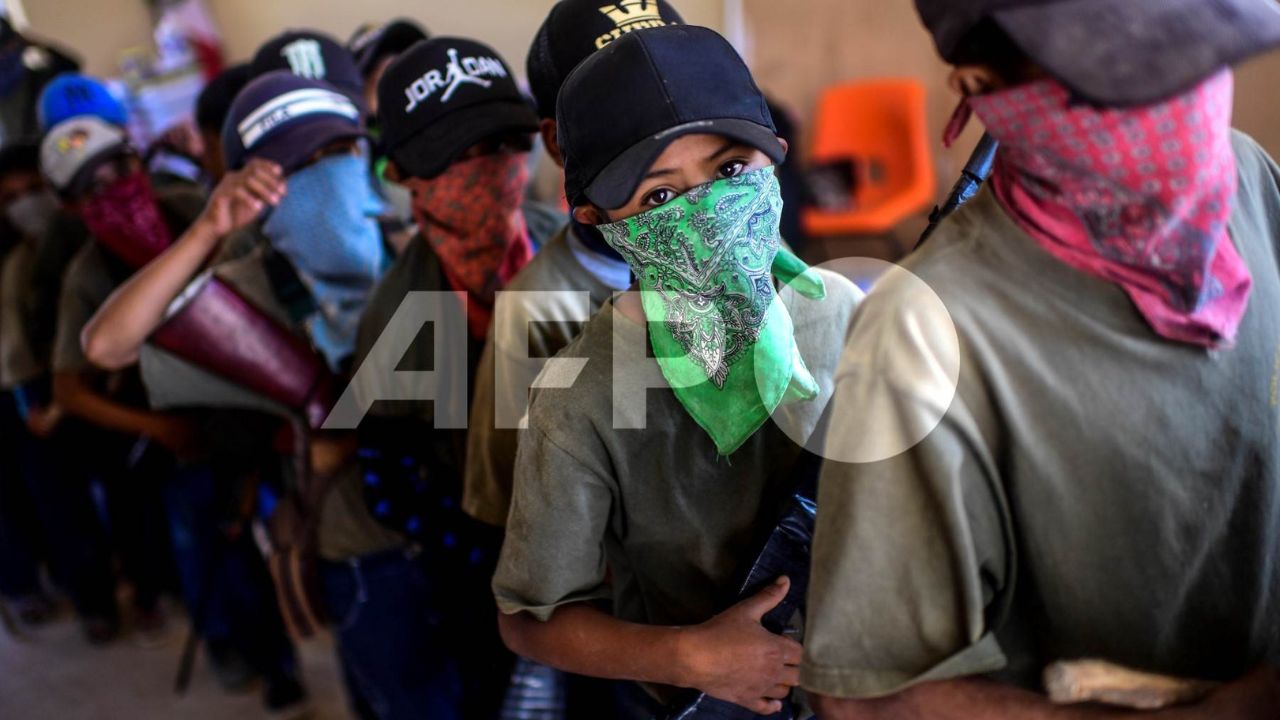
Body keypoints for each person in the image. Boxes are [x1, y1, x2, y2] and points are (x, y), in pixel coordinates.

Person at [801, 2, 1280, 719]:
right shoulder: (924, 338)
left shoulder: (1246, 176)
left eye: (1193, 61)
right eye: (1122, 80)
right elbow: (868, 698)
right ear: (985, 85)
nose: (1180, 106)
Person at [492, 25, 861, 718]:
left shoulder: (843, 313)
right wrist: (689, 657)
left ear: (778, 154)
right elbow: (530, 618)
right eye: (659, 198)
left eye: (729, 172)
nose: (708, 213)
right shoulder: (580, 397)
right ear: (602, 221)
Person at [335, 35, 562, 719]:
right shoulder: (405, 312)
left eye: (501, 146)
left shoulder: (577, 256)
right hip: (481, 573)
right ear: (404, 174)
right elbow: (389, 477)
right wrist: (494, 560)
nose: (490, 171)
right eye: (458, 157)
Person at [463, 0, 681, 529]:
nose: (666, 127)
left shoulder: (746, 237)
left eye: (675, 89)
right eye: (622, 106)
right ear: (559, 144)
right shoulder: (536, 309)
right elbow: (514, 511)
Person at [42, 115, 200, 643]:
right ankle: (236, 645)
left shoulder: (190, 211)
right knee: (197, 539)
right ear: (71, 206)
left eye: (122, 171)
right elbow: (69, 389)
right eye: (95, 188)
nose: (118, 191)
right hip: (174, 426)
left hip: (249, 409)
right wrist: (155, 427)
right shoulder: (88, 276)